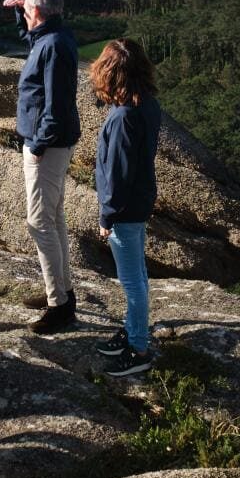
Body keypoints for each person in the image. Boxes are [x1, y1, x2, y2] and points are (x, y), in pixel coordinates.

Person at [3, 0, 81, 334]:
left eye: (28, 7)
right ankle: (64, 292)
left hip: (46, 146)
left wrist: (38, 145)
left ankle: (59, 306)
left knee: (39, 223)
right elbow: (33, 39)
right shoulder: (50, 37)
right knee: (54, 218)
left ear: (39, 11)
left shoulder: (54, 46)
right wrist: (22, 12)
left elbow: (57, 105)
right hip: (49, 143)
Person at [89, 40, 162, 377]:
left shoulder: (122, 117)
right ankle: (133, 330)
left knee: (131, 281)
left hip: (124, 209)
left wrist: (107, 215)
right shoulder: (147, 105)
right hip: (140, 201)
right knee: (139, 274)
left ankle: (139, 348)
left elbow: (116, 173)